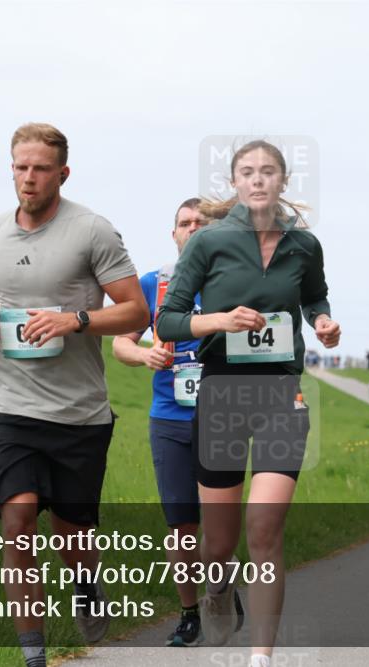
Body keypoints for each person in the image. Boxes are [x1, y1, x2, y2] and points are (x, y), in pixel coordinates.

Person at [0, 123, 148, 666]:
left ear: (62, 174)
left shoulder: (93, 231)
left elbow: (136, 310)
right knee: (17, 518)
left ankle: (86, 585)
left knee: (72, 536)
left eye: (41, 168)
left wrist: (74, 320)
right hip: (6, 405)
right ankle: (33, 655)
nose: (29, 178)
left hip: (77, 414)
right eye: (21, 167)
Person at [156, 139, 340, 667]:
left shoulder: (304, 246)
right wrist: (220, 320)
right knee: (219, 545)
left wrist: (322, 322)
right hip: (222, 393)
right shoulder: (208, 243)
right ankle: (217, 590)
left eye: (268, 172)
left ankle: (261, 656)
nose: (258, 180)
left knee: (265, 528)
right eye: (247, 172)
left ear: (283, 181)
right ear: (235, 182)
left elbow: (314, 296)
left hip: (283, 392)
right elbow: (167, 321)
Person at [112, 197, 207, 647]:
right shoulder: (154, 284)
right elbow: (119, 344)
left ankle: (221, 590)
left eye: (200, 223)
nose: (191, 229)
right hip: (168, 418)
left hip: (221, 419)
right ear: (173, 234)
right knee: (181, 526)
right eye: (184, 223)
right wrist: (145, 354)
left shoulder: (231, 283)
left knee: (220, 521)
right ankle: (189, 614)